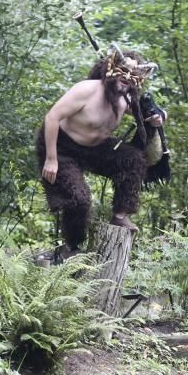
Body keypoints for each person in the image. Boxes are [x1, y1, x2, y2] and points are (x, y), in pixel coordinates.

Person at [37, 45, 165, 256]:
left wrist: (156, 117)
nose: (127, 80)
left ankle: (120, 214)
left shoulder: (126, 98)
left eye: (133, 77)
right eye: (124, 73)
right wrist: (51, 158)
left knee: (133, 159)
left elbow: (146, 115)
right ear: (111, 70)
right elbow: (52, 117)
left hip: (95, 148)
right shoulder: (87, 90)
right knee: (79, 198)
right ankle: (72, 247)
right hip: (62, 148)